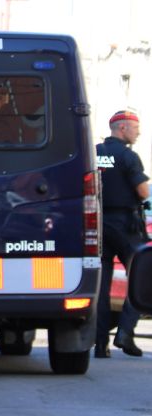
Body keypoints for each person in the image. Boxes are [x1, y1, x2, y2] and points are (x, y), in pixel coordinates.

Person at [95, 110, 150, 358]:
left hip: (98, 224)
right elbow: (142, 192)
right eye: (135, 127)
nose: (138, 132)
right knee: (144, 279)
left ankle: (99, 344)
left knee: (101, 286)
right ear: (123, 128)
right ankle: (125, 333)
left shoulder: (95, 153)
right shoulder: (129, 156)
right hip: (125, 225)